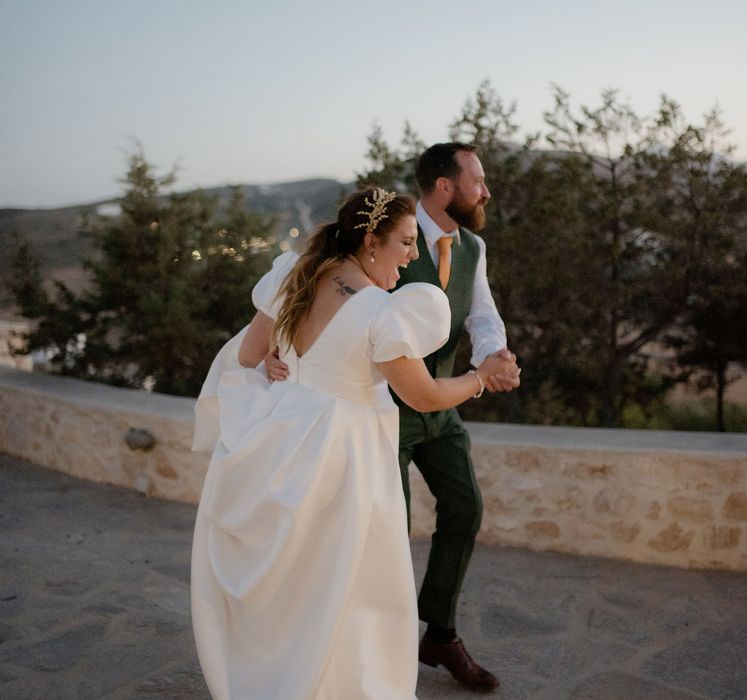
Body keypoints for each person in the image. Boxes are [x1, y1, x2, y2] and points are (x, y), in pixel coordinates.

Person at [190, 187, 519, 699]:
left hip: (286, 442)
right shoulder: (378, 312)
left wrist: (285, 353)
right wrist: (481, 378)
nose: (413, 256)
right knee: (349, 583)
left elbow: (250, 355)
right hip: (346, 457)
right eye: (406, 243)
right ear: (371, 242)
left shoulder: (294, 275)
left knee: (301, 583)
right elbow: (426, 395)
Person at [267, 144, 516, 692]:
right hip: (384, 410)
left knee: (465, 508)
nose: (485, 190)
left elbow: (483, 313)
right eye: (477, 179)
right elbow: (314, 304)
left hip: (441, 402)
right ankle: (382, 643)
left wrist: (494, 361)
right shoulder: (386, 242)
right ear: (445, 186)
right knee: (388, 533)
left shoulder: (472, 246)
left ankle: (440, 632)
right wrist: (274, 349)